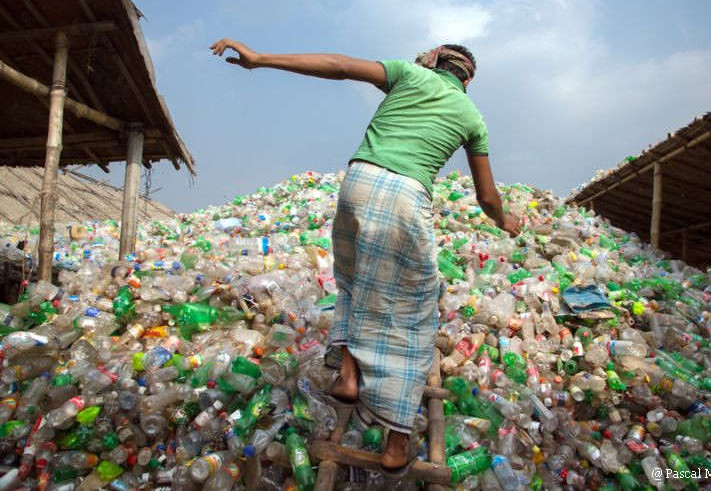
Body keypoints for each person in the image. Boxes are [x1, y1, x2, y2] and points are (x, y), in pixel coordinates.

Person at [210, 39, 521, 475]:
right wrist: (504, 221)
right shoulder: (472, 116)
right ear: (468, 79)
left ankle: (351, 376)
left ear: (432, 61)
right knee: (414, 312)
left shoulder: (408, 75)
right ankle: (396, 445)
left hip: (357, 181)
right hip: (406, 197)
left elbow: (338, 64)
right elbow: (487, 197)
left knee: (356, 281)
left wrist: (261, 59)